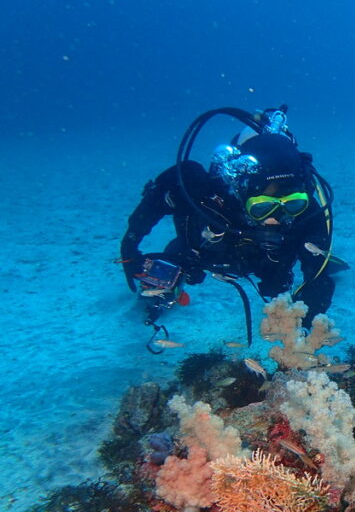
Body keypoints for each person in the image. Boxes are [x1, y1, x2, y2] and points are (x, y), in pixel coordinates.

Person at [120, 106, 339, 345]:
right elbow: (153, 205)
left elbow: (318, 279)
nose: (276, 218)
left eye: (293, 204)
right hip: (204, 251)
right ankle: (160, 294)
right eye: (262, 208)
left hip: (271, 262)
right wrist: (130, 245)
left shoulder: (309, 213)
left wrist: (303, 334)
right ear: (240, 193)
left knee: (280, 282)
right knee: (180, 260)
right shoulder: (204, 194)